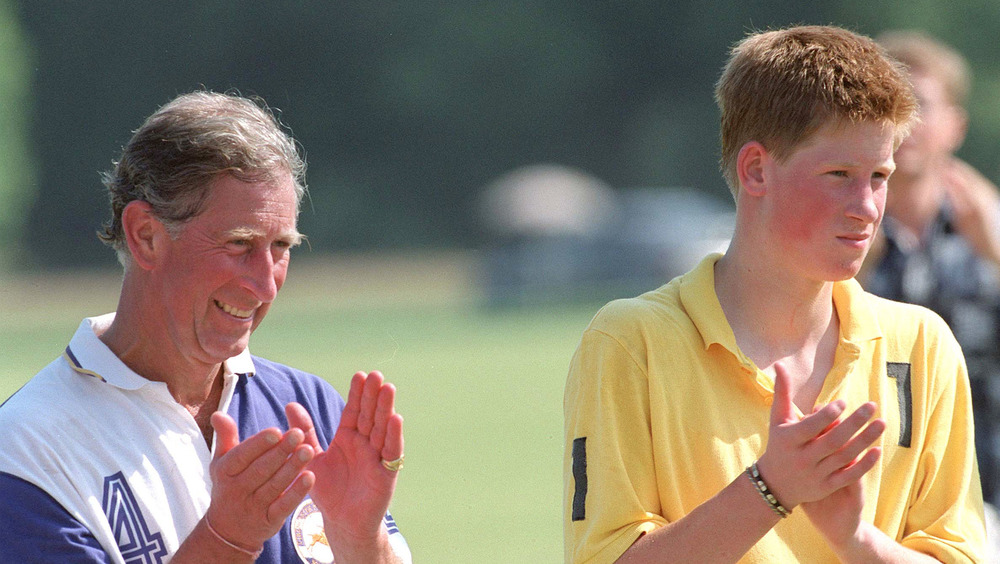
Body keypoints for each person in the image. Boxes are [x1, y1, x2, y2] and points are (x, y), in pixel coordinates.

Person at [563, 25, 985, 563]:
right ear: (756, 169)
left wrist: (857, 542)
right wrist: (771, 490)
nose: (868, 206)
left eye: (879, 175)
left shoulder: (923, 345)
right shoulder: (631, 342)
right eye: (839, 174)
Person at [0, 91, 411, 563]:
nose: (265, 284)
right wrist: (226, 540)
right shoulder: (25, 452)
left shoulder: (310, 406)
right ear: (146, 236)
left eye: (281, 246)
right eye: (239, 243)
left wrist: (359, 539)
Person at [859, 30, 1000, 512]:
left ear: (956, 126)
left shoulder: (987, 221)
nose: (906, 121)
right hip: (876, 496)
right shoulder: (836, 232)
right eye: (890, 102)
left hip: (987, 486)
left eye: (921, 104)